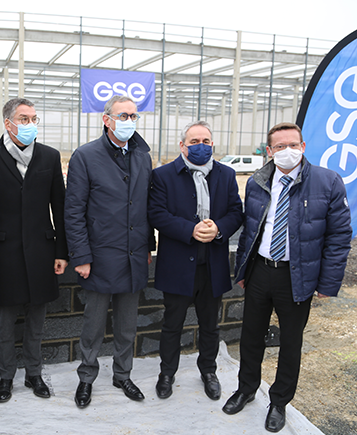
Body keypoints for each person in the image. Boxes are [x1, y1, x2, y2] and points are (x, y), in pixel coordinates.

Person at [223, 122, 352, 433]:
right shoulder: (257, 182)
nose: (287, 151)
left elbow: (339, 236)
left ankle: (279, 401)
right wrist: (243, 270)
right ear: (270, 151)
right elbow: (250, 231)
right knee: (251, 335)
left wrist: (328, 282)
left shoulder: (327, 182)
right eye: (279, 147)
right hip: (260, 272)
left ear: (303, 147)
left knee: (290, 342)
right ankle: (247, 388)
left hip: (297, 276)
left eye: (292, 144)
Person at [0, 98, 68, 403]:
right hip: (4, 253)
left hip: (42, 250)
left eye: (34, 119)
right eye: (23, 119)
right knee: (5, 320)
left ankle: (34, 373)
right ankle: (6, 377)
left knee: (37, 318)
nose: (30, 125)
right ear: (8, 123)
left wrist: (61, 252)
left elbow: (60, 207)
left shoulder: (49, 157)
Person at [65, 95, 155, 408]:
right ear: (107, 119)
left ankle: (122, 374)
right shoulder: (86, 156)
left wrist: (149, 247)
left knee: (127, 324)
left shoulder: (143, 156)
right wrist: (82, 256)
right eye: (123, 115)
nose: (129, 120)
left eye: (133, 115)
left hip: (134, 253)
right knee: (93, 325)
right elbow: (73, 211)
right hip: (100, 255)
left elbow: (146, 205)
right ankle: (86, 377)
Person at [148, 120, 243, 401]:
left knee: (210, 325)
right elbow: (156, 214)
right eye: (194, 142)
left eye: (206, 141)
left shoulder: (226, 175)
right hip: (178, 263)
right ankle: (167, 373)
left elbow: (237, 211)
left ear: (212, 144)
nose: (201, 146)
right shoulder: (163, 175)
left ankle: (209, 371)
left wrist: (219, 228)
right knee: (172, 324)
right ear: (182, 146)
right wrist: (190, 229)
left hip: (212, 264)